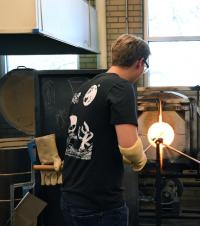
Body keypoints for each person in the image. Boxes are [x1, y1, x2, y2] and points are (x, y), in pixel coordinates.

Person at [61, 34, 150, 226]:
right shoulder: (121, 87)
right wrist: (140, 159)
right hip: (99, 205)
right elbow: (129, 147)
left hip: (71, 198)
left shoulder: (85, 87)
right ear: (140, 62)